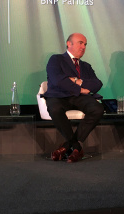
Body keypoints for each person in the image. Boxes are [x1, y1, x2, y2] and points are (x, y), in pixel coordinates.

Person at [43, 33, 104, 163]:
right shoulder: (56, 59)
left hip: (79, 98)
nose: (83, 47)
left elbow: (97, 83)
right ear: (69, 44)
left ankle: (67, 146)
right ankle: (76, 147)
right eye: (80, 43)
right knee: (54, 108)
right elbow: (58, 80)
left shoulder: (86, 66)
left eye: (85, 44)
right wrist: (80, 88)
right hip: (59, 96)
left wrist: (76, 80)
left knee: (97, 109)